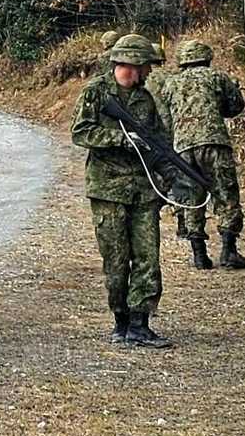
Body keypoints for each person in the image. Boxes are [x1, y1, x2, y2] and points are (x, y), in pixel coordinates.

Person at [70, 33, 177, 348]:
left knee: (148, 257)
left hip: (143, 190)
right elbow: (81, 132)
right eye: (146, 66)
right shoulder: (96, 92)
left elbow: (158, 142)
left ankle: (140, 324)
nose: (149, 72)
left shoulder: (145, 99)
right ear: (132, 63)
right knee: (116, 261)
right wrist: (122, 139)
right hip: (108, 189)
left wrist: (172, 176)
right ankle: (121, 321)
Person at [164, 40, 245, 271]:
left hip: (182, 147)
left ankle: (199, 255)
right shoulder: (217, 77)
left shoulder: (171, 83)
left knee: (192, 198)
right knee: (225, 193)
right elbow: (235, 107)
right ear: (206, 57)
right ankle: (229, 251)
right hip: (214, 143)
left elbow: (165, 117)